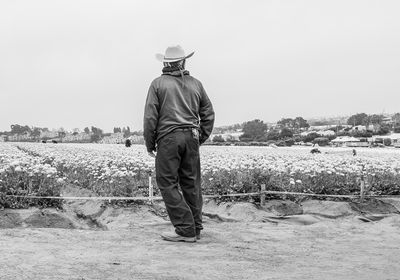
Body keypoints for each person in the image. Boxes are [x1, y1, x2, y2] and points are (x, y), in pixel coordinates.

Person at [143, 45, 215, 242]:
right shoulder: (197, 84)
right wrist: (199, 137)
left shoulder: (158, 84)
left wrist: (150, 143)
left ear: (165, 63)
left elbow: (151, 117)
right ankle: (196, 228)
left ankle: (185, 229)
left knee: (167, 182)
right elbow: (208, 114)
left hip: (168, 138)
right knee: (191, 183)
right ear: (183, 61)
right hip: (191, 136)